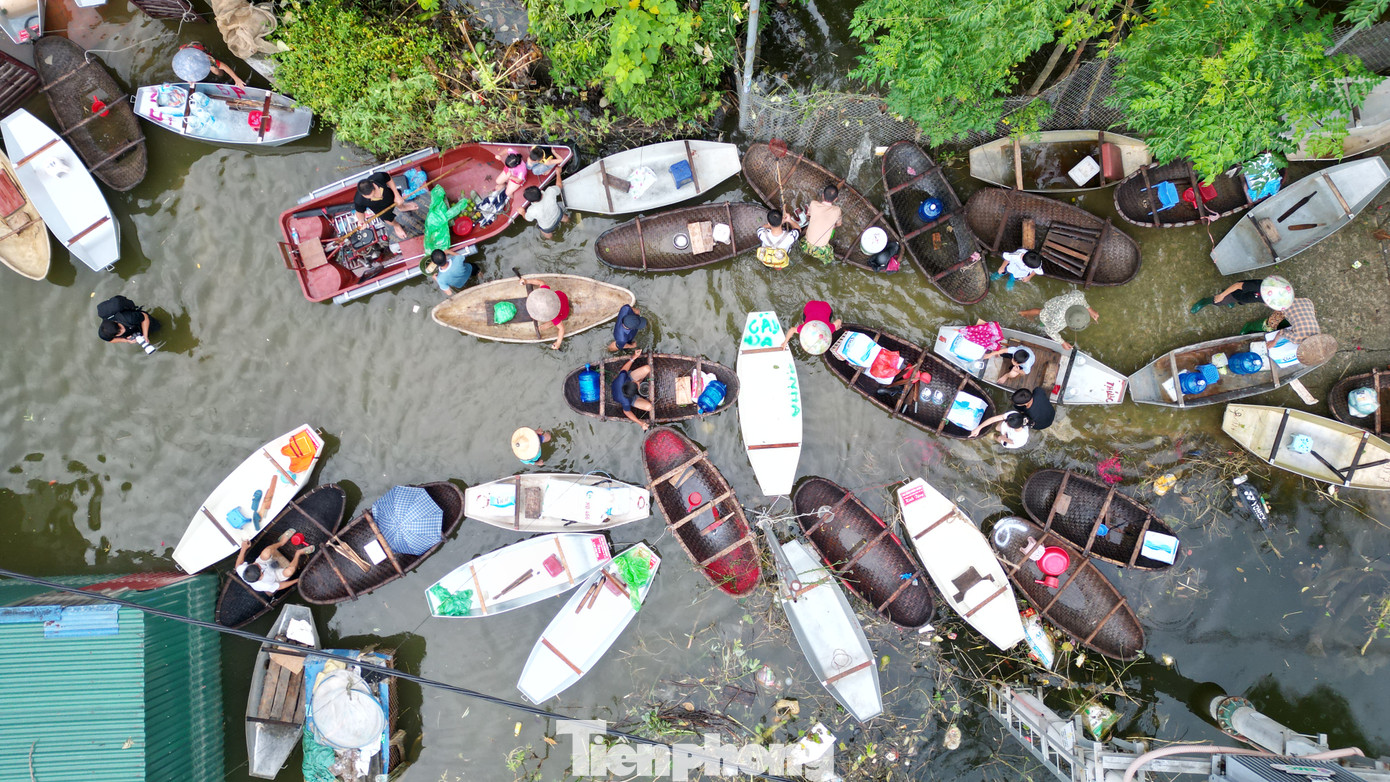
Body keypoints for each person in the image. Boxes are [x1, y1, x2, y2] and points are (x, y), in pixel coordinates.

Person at [234, 531, 314, 594]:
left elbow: (238, 565)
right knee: (289, 571)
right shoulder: (264, 586)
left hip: (265, 563)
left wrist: (243, 548)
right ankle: (298, 553)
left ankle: (281, 542)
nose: (257, 563)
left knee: (266, 552)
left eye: (254, 564)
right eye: (259, 567)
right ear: (260, 577)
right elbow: (280, 586)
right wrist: (297, 580)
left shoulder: (242, 570)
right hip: (276, 576)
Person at [1019, 291, 1098, 351]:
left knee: (1042, 313)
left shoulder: (1077, 297)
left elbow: (1078, 295)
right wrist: (1062, 342)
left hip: (1058, 303)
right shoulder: (1058, 322)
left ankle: (1026, 314)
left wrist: (1090, 310)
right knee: (1042, 313)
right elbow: (1050, 331)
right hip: (1054, 312)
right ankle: (1023, 313)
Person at [354, 170, 418, 239]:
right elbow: (360, 212)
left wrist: (396, 195)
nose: (374, 197)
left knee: (399, 201)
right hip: (380, 208)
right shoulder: (359, 200)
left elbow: (389, 179)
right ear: (363, 195)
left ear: (373, 185)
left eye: (373, 194)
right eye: (370, 197)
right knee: (389, 220)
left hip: (390, 195)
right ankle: (396, 225)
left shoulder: (378, 177)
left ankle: (402, 207)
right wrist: (361, 221)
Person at [1192, 276, 1294, 313]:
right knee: (1218, 301)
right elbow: (1237, 285)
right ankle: (1204, 301)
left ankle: (1231, 299)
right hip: (1237, 292)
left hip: (1247, 298)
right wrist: (1222, 296)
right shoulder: (1258, 287)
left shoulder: (1270, 297)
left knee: (1241, 301)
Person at [611, 348, 655, 430]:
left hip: (622, 385)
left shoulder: (622, 377)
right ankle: (642, 397)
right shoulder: (626, 402)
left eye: (636, 382)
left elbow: (624, 369)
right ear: (636, 392)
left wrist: (634, 357)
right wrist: (640, 423)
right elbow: (627, 412)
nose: (638, 382)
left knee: (647, 368)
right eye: (638, 384)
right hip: (625, 396)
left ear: (628, 383)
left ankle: (637, 380)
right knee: (649, 407)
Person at [520, 166, 568, 238]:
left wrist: (522, 212)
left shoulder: (531, 210)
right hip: (558, 215)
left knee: (548, 235)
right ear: (539, 191)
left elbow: (528, 219)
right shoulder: (550, 191)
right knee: (565, 218)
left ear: (531, 201)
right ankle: (568, 222)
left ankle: (551, 240)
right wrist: (558, 173)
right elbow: (559, 186)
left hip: (547, 227)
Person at [171, 42, 245, 87]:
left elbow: (225, 67)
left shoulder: (207, 59)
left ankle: (221, 76)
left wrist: (237, 79)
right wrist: (189, 80)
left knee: (217, 71)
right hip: (188, 49)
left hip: (198, 47)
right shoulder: (182, 59)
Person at [524, 279, 570, 350]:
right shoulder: (545, 294)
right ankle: (549, 324)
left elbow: (561, 329)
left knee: (555, 322)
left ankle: (550, 324)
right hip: (561, 296)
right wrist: (526, 281)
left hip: (563, 313)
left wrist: (558, 343)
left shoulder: (554, 316)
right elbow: (541, 282)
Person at [802, 185, 842, 265]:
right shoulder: (837, 210)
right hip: (821, 250)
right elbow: (839, 224)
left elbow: (808, 216)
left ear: (822, 195)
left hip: (806, 245)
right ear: (836, 199)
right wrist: (833, 225)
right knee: (829, 259)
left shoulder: (813, 204)